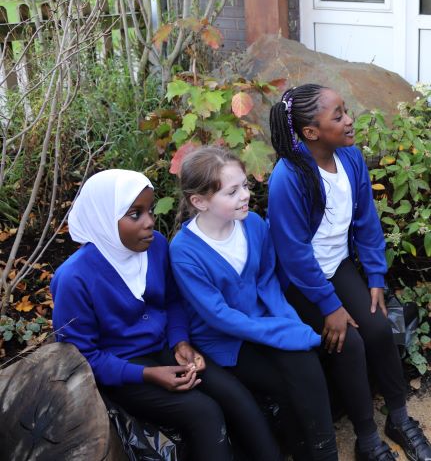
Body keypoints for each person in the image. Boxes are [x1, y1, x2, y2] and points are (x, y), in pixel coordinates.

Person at [50, 169, 276, 461]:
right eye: (135, 214)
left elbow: (172, 301)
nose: (150, 222)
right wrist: (148, 375)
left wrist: (181, 342)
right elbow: (82, 358)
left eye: (150, 211)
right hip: (122, 370)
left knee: (236, 397)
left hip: (166, 349)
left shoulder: (155, 246)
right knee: (204, 414)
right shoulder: (73, 278)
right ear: (104, 218)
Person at [267, 84, 431, 461]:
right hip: (301, 282)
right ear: (311, 132)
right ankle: (367, 439)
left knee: (377, 326)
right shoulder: (289, 177)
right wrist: (329, 306)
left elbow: (366, 221)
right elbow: (293, 255)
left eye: (346, 110)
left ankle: (399, 418)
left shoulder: (351, 158)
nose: (349, 120)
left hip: (336, 267)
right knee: (348, 342)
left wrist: (375, 275)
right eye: (338, 115)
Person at [169, 147, 338, 461]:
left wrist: (290, 323)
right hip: (225, 340)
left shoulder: (254, 224)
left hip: (262, 321)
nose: (245, 195)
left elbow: (267, 282)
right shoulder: (185, 251)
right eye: (232, 191)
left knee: (304, 363)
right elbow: (219, 316)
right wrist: (280, 333)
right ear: (200, 201)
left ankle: (324, 452)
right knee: (285, 382)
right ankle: (301, 448)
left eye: (245, 186)